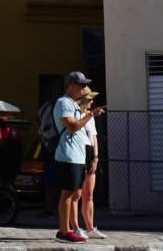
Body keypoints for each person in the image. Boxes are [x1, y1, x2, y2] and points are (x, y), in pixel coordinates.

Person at [53, 71, 105, 244]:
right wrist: (90, 115)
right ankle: (64, 231)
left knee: (74, 192)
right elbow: (72, 127)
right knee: (68, 193)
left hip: (77, 156)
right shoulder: (64, 103)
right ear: (70, 86)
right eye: (81, 85)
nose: (84, 89)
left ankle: (68, 230)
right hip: (68, 155)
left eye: (85, 85)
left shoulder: (74, 104)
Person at [78, 90, 106, 240]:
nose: (92, 102)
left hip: (88, 152)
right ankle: (74, 227)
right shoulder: (76, 114)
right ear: (81, 99)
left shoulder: (91, 117)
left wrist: (95, 157)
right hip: (77, 152)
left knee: (89, 194)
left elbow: (93, 137)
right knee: (75, 194)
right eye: (89, 99)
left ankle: (90, 228)